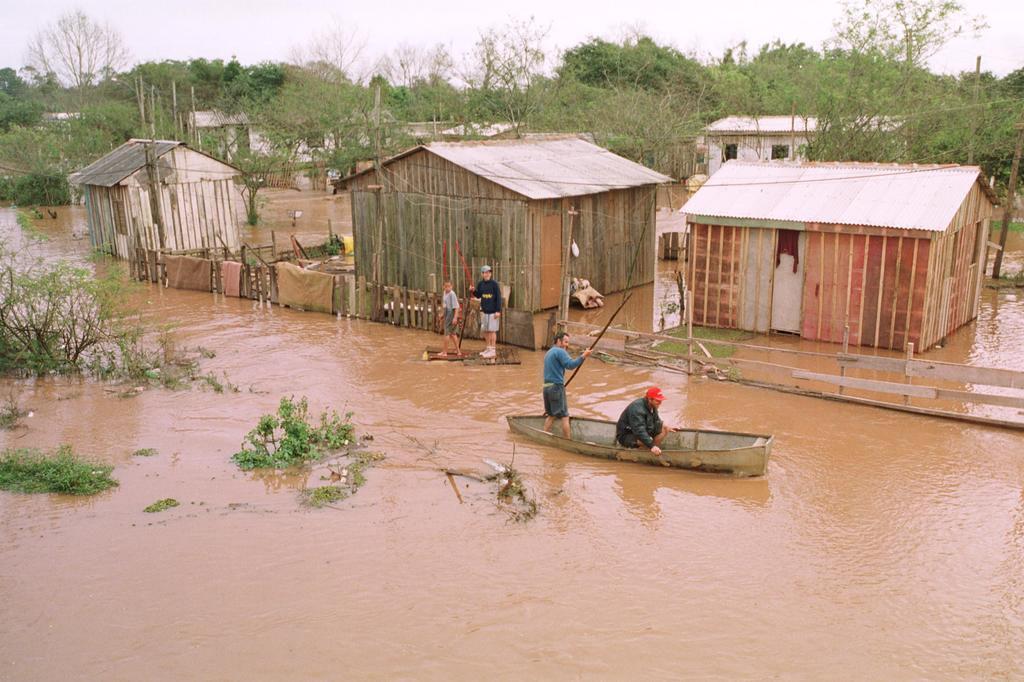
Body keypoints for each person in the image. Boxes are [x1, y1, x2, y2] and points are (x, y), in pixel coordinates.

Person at [542, 331, 592, 438]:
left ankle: (544, 436)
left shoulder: (549, 352)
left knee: (551, 415)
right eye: (565, 342)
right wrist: (583, 356)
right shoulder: (560, 352)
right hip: (556, 387)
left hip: (546, 388)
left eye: (568, 342)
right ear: (559, 341)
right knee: (565, 416)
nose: (567, 345)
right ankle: (567, 441)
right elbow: (570, 365)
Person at [615, 387, 676, 458]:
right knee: (646, 440)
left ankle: (650, 450)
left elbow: (657, 421)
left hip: (641, 430)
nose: (660, 403)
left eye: (661, 400)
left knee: (664, 429)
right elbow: (639, 431)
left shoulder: (653, 406)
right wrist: (652, 445)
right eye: (658, 400)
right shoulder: (637, 409)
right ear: (650, 399)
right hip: (627, 434)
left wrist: (667, 427)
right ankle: (648, 450)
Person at [469, 265, 501, 359]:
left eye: (489, 272)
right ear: (482, 274)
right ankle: (488, 348)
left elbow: (498, 298)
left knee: (492, 331)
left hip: (493, 312)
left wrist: (498, 311)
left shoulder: (494, 284)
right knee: (486, 331)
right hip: (484, 311)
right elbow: (478, 295)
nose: (487, 274)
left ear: (490, 273)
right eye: (485, 272)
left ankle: (493, 350)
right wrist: (473, 290)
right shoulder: (480, 284)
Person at [439, 280, 462, 358]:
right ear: (443, 287)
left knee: (447, 333)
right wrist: (442, 314)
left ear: (452, 286)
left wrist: (455, 318)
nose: (447, 288)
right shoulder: (445, 293)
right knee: (453, 333)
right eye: (445, 286)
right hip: (447, 312)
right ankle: (458, 351)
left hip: (451, 313)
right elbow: (444, 305)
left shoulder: (452, 294)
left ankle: (445, 352)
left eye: (449, 286)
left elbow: (456, 307)